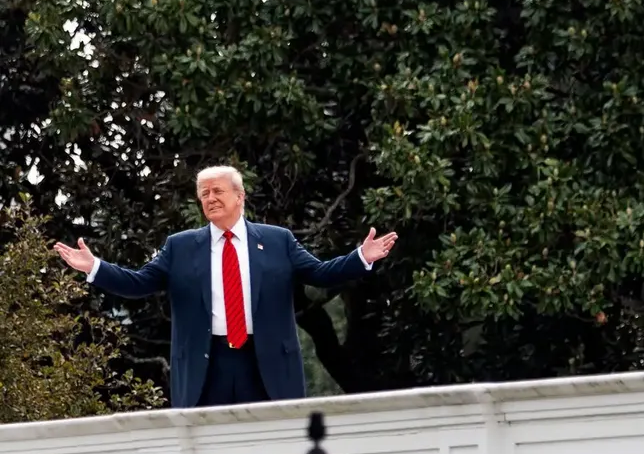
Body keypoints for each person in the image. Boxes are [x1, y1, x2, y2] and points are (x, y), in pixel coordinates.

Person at [54, 166, 397, 407]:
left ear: (239, 196)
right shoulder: (181, 246)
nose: (210, 198)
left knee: (270, 446)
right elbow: (139, 283)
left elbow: (320, 274)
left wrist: (359, 257)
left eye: (218, 191)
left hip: (264, 361)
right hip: (208, 363)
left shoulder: (279, 241)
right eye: (204, 194)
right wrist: (95, 267)